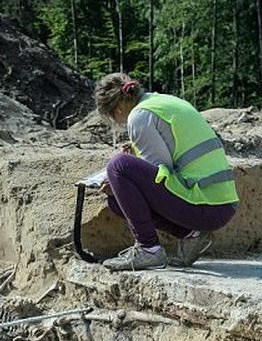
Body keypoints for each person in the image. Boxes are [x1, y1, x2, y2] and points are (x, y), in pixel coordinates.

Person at [93, 73, 239, 271]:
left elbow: (162, 172)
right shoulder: (160, 102)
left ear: (118, 108)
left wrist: (120, 178)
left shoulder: (138, 116)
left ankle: (149, 249)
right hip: (220, 203)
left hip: (206, 205)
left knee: (118, 166)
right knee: (117, 201)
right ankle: (191, 233)